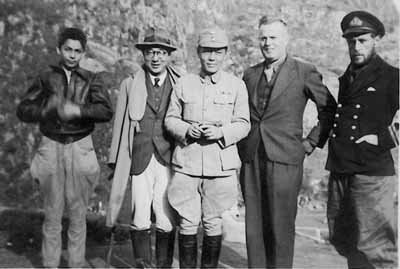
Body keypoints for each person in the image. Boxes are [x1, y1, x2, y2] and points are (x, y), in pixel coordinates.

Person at [237, 16, 337, 268]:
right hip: (252, 157)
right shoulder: (249, 74)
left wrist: (310, 143)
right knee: (254, 227)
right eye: (263, 38)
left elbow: (329, 109)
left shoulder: (303, 71)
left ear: (285, 40)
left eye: (273, 38)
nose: (268, 43)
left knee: (281, 227)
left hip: (286, 159)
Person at [16, 27, 113, 268]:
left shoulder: (92, 77)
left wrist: (78, 110)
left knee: (78, 214)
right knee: (52, 214)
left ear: (83, 53)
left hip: (80, 146)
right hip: (51, 145)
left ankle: (75, 265)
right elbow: (23, 110)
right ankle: (50, 265)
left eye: (77, 51)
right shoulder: (46, 76)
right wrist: (46, 109)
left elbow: (105, 111)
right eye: (68, 49)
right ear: (59, 49)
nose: (72, 55)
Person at [165, 27, 250, 268]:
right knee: (187, 222)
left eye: (217, 52)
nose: (212, 57)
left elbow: (244, 124)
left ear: (225, 54)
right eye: (206, 51)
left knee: (213, 222)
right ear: (198, 53)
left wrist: (221, 132)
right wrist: (185, 130)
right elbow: (171, 119)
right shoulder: (184, 83)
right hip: (187, 164)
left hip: (220, 165)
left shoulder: (236, 86)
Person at [325, 10, 398, 269]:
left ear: (376, 39)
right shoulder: (348, 77)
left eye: (363, 40)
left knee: (376, 248)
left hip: (372, 174)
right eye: (351, 41)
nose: (356, 47)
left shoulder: (392, 76)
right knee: (345, 239)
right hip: (342, 168)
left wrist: (382, 139)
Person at [106, 29, 180, 268]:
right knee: (139, 215)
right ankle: (143, 265)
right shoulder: (130, 84)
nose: (156, 58)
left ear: (168, 56)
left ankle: (164, 265)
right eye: (150, 52)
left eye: (161, 53)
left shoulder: (179, 83)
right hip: (139, 157)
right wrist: (115, 160)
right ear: (144, 55)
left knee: (165, 215)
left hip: (168, 157)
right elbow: (119, 124)